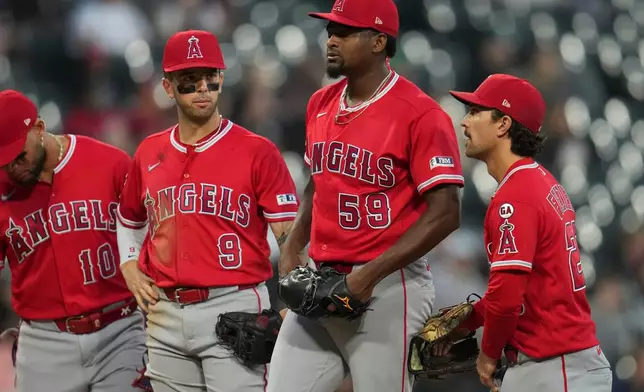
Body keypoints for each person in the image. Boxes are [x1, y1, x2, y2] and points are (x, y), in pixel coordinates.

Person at [267, 0, 464, 390]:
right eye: (330, 31)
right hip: (322, 282)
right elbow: (317, 180)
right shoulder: (320, 103)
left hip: (388, 287)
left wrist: (370, 275)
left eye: (344, 31)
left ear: (378, 42)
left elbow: (446, 213)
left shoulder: (419, 113)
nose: (331, 40)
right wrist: (293, 242)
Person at [116, 29, 299, 392]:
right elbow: (129, 220)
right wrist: (130, 265)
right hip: (164, 314)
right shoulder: (149, 152)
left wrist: (293, 306)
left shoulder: (257, 151)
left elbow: (290, 237)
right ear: (168, 87)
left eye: (210, 78)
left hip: (234, 306)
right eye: (189, 81)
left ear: (221, 79)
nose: (202, 88)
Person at [448, 74, 612, 391]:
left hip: (557, 368)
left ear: (503, 124)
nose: (464, 123)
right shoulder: (538, 183)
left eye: (475, 112)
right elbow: (524, 292)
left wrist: (487, 354)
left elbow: (508, 298)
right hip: (558, 364)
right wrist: (466, 322)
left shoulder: (517, 196)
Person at [0, 90, 147, 392]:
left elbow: (151, 242)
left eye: (18, 156)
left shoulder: (111, 164)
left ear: (39, 129)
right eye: (3, 163)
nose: (12, 168)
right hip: (44, 344)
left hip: (119, 331)